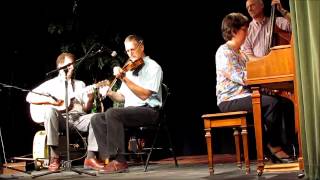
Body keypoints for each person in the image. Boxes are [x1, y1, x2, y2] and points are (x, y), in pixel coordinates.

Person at [215, 12, 293, 163]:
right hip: (230, 99)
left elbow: (252, 80)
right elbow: (241, 77)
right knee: (272, 103)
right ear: (233, 31)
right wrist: (264, 81)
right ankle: (273, 146)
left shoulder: (242, 54)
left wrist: (269, 87)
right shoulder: (224, 52)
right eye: (245, 29)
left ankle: (286, 146)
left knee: (285, 102)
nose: (248, 32)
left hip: (246, 95)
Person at [91, 34, 163, 173]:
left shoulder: (154, 67)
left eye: (133, 49)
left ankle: (120, 161)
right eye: (127, 51)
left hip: (149, 111)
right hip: (131, 111)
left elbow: (144, 95)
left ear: (141, 47)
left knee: (112, 113)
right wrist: (109, 92)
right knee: (97, 118)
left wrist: (124, 79)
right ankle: (108, 159)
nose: (130, 54)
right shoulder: (129, 69)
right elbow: (121, 97)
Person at [26, 52, 104, 171]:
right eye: (69, 65)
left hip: (79, 118)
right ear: (60, 67)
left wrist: (90, 99)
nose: (72, 67)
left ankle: (90, 158)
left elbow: (86, 109)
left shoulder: (80, 84)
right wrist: (50, 101)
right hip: (60, 118)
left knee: (97, 117)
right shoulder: (50, 84)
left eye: (73, 64)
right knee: (49, 111)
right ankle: (55, 156)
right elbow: (29, 97)